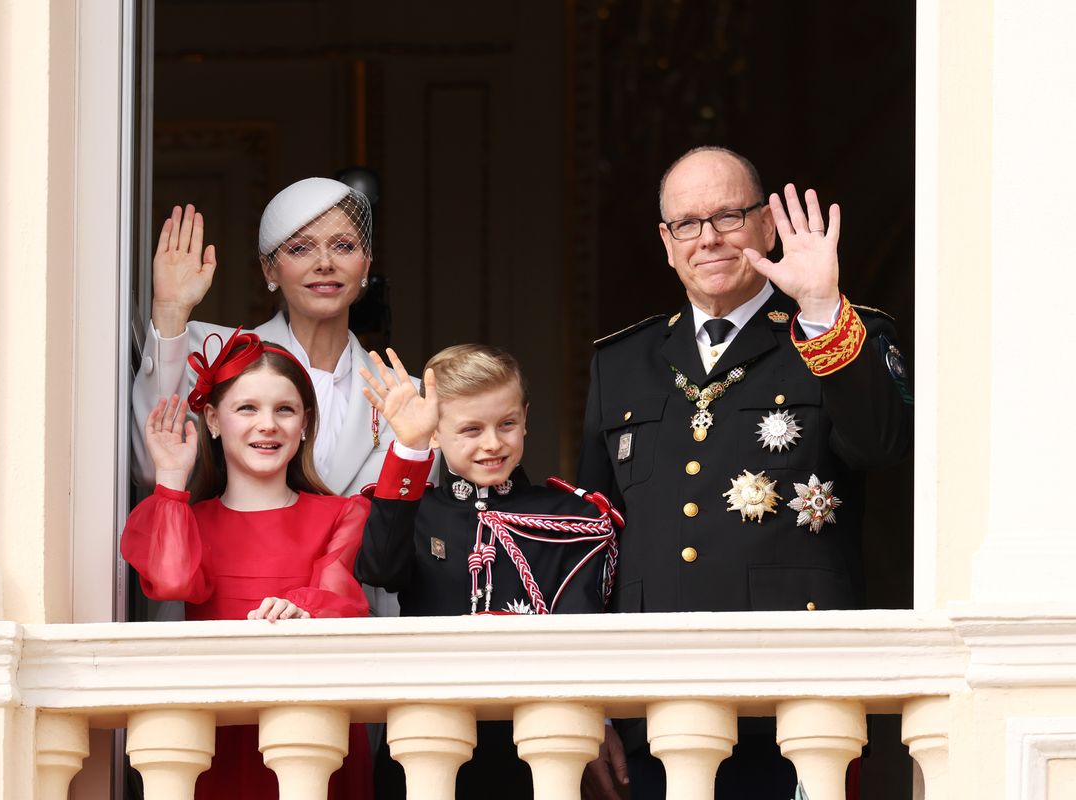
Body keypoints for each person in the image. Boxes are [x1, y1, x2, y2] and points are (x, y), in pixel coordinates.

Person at [577, 146, 912, 799]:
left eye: (728, 215)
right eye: (687, 223)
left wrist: (821, 305)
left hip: (796, 702)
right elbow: (593, 537)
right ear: (666, 243)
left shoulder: (838, 331)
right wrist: (588, 697)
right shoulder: (621, 362)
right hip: (654, 702)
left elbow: (882, 444)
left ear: (766, 226)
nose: (708, 238)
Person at [132, 177, 428, 616]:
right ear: (270, 270)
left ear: (366, 265)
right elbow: (147, 466)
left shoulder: (409, 398)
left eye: (344, 247)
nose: (324, 263)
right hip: (210, 614)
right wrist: (171, 312)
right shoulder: (214, 353)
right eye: (300, 248)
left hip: (353, 623)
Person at [355, 344, 621, 800]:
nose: (493, 443)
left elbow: (584, 637)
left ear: (526, 418)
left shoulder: (570, 516)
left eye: (507, 424)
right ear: (437, 433)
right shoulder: (413, 511)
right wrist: (410, 449)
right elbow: (379, 568)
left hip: (536, 746)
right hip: (428, 740)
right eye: (471, 429)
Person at [120, 328, 373, 799]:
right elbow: (172, 580)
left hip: (312, 728)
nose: (268, 425)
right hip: (216, 732)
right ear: (213, 421)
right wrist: (172, 477)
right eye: (247, 409)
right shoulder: (188, 519)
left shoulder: (342, 512)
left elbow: (341, 598)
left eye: (285, 409)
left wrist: (297, 607)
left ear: (304, 423)